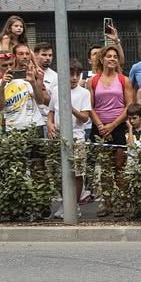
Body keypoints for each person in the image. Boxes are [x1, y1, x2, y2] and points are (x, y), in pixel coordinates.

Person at [47, 60, 92, 208]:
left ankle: (74, 205)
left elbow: (85, 118)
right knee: (57, 172)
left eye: (77, 74)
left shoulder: (84, 93)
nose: (74, 78)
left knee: (78, 172)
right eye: (71, 74)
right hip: (59, 137)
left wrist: (71, 108)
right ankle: (65, 204)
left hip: (77, 137)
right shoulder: (56, 90)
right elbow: (51, 111)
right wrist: (50, 124)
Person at [88, 46, 135, 187]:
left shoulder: (124, 80)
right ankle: (108, 206)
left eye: (115, 56)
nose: (112, 59)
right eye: (109, 56)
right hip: (99, 128)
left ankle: (121, 204)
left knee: (120, 166)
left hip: (119, 127)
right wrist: (101, 127)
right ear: (102, 59)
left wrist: (113, 125)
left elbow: (129, 106)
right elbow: (89, 107)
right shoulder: (92, 81)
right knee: (105, 168)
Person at [32, 43, 58, 134]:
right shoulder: (28, 72)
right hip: (29, 119)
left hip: (46, 119)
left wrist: (45, 96)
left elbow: (55, 102)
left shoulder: (55, 76)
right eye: (44, 55)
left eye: (50, 55)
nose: (48, 58)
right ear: (35, 55)